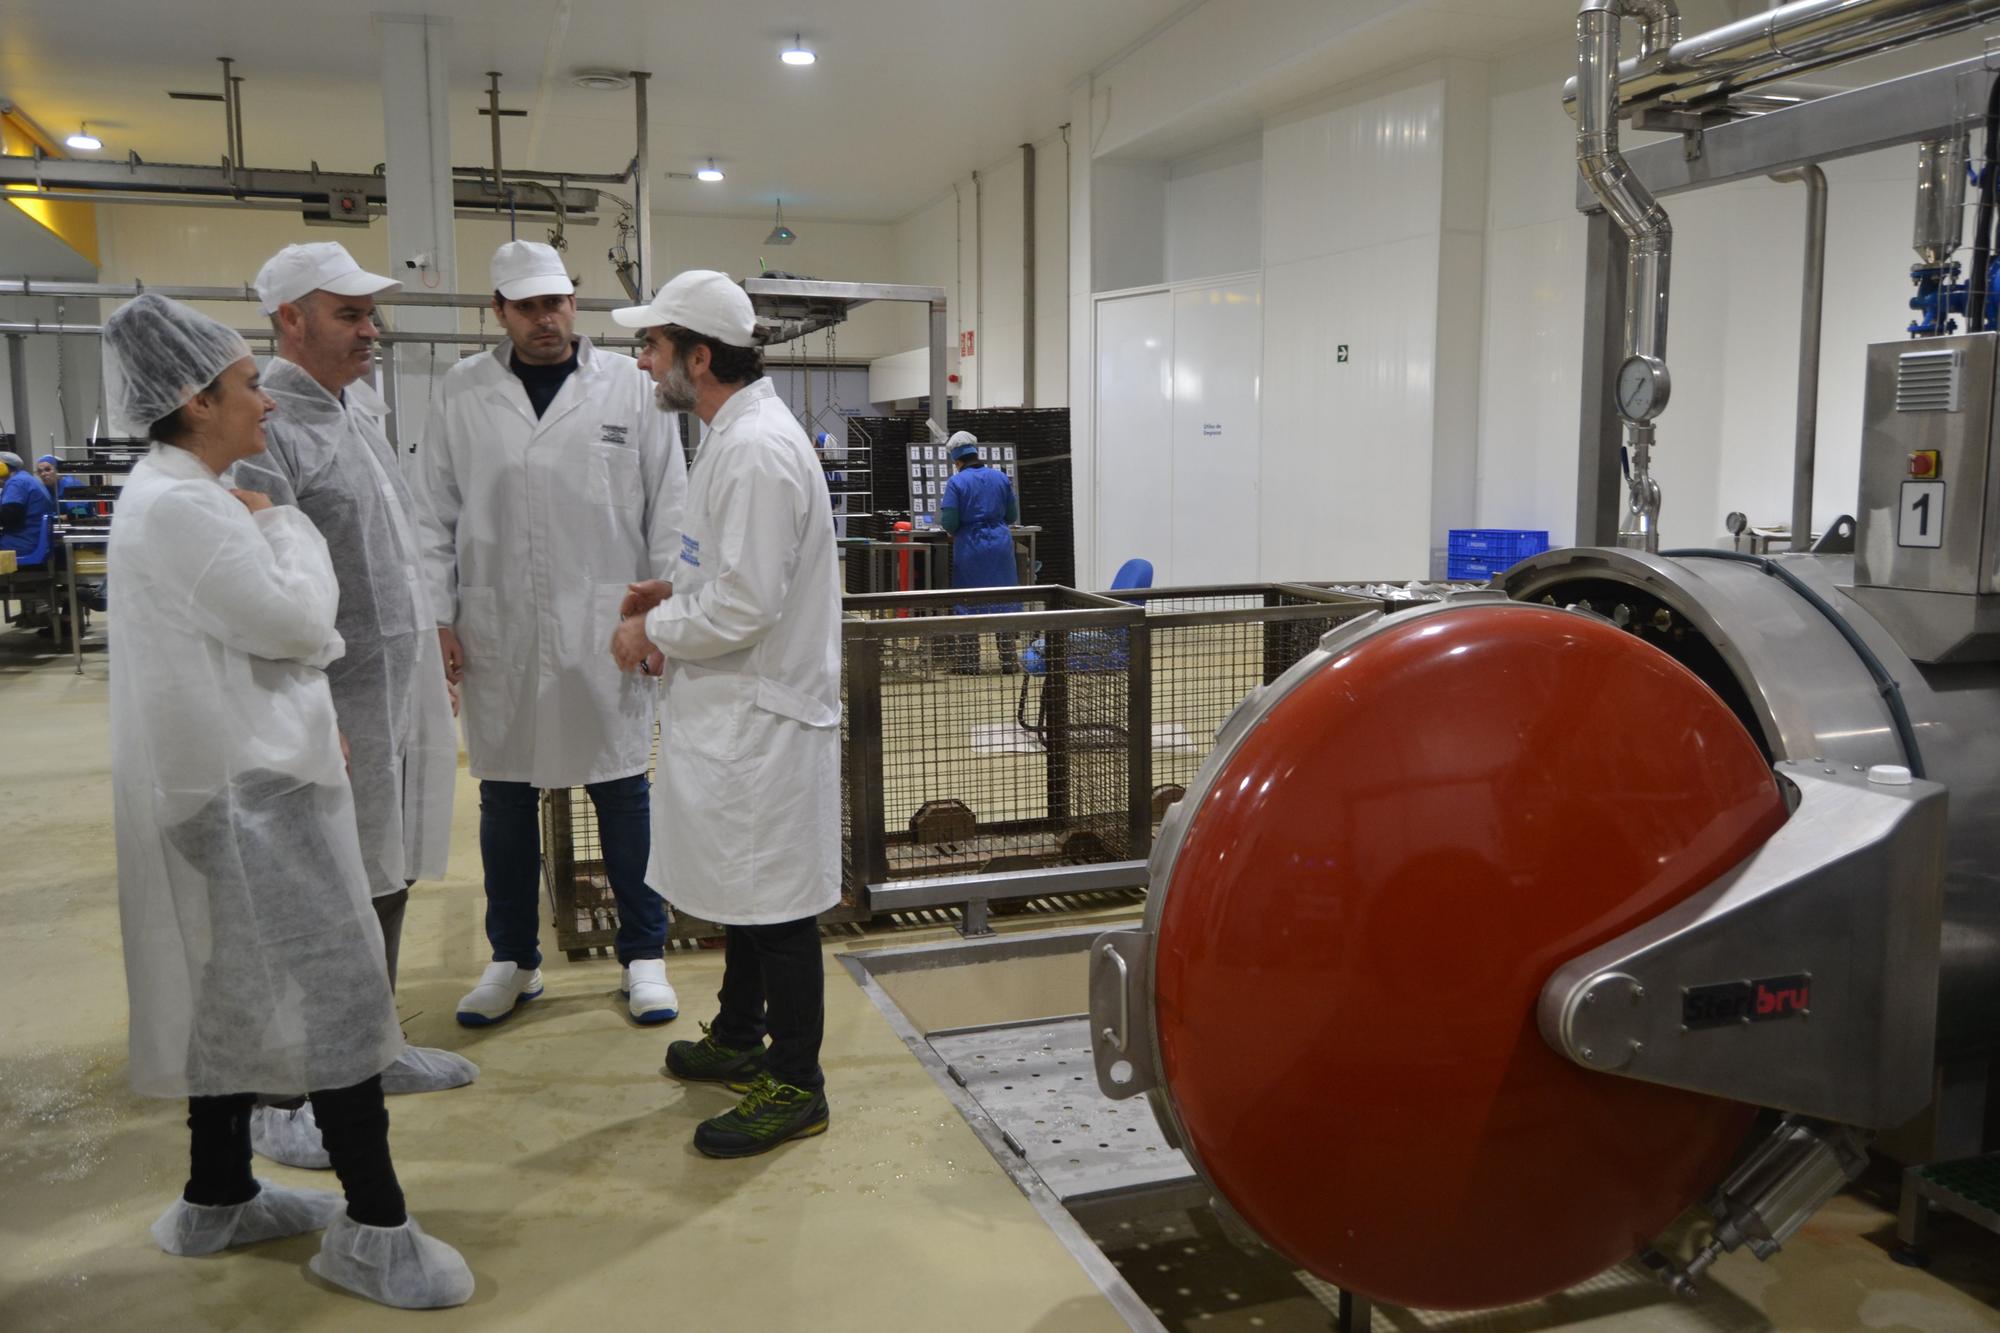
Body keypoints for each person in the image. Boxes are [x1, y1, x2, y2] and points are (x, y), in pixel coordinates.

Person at [99, 293, 472, 1309]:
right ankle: (376, 1227)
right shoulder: (188, 508)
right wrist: (291, 525)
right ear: (191, 398)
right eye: (245, 384)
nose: (263, 398)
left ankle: (215, 1191)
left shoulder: (182, 494)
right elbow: (305, 622)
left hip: (229, 781)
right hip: (251, 797)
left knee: (233, 994)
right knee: (340, 998)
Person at [227, 243, 475, 1168]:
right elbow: (268, 580)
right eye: (348, 314)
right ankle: (282, 1095)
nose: (371, 330)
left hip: (396, 680)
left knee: (388, 866)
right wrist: (305, 701)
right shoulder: (270, 425)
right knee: (320, 888)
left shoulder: (357, 408)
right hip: (332, 694)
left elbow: (396, 544)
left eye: (370, 314)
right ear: (291, 318)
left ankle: (372, 1047)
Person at [416, 239, 688, 1027]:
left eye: (559, 301)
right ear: (498, 311)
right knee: (504, 796)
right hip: (498, 622)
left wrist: (659, 614)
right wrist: (438, 617)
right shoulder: (462, 392)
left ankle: (644, 951)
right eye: (529, 305)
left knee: (620, 786)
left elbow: (670, 506)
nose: (548, 318)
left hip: (606, 624)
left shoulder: (629, 390)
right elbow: (431, 516)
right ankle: (514, 958)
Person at [608, 270, 840, 1158]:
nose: (644, 360)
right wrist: (678, 590)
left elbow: (745, 607)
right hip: (737, 713)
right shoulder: (732, 437)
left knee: (776, 905)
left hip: (765, 721)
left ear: (699, 358)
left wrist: (648, 629)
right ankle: (741, 1035)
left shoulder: (754, 450)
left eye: (655, 347)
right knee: (748, 893)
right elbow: (739, 579)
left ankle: (797, 1081)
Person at [939, 431, 1021, 674]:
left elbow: (950, 521)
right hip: (1000, 545)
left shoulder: (956, 482)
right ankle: (1008, 661)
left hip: (971, 546)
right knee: (1004, 600)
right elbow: (1011, 516)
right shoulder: (1000, 477)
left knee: (968, 601)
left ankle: (968, 663)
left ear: (956, 460)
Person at [0, 447, 55, 559]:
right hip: (32, 539)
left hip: (22, 542)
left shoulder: (16, 482)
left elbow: (10, 517)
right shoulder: (27, 478)